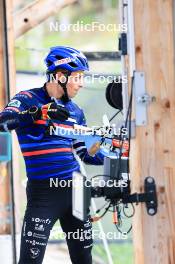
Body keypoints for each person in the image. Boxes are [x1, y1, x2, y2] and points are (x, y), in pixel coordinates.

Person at [0, 46, 104, 264]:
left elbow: (84, 154)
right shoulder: (27, 98)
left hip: (76, 189)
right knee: (30, 260)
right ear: (59, 76)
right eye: (77, 77)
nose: (81, 83)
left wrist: (106, 149)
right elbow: (4, 122)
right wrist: (40, 112)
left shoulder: (75, 111)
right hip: (44, 193)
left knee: (84, 259)